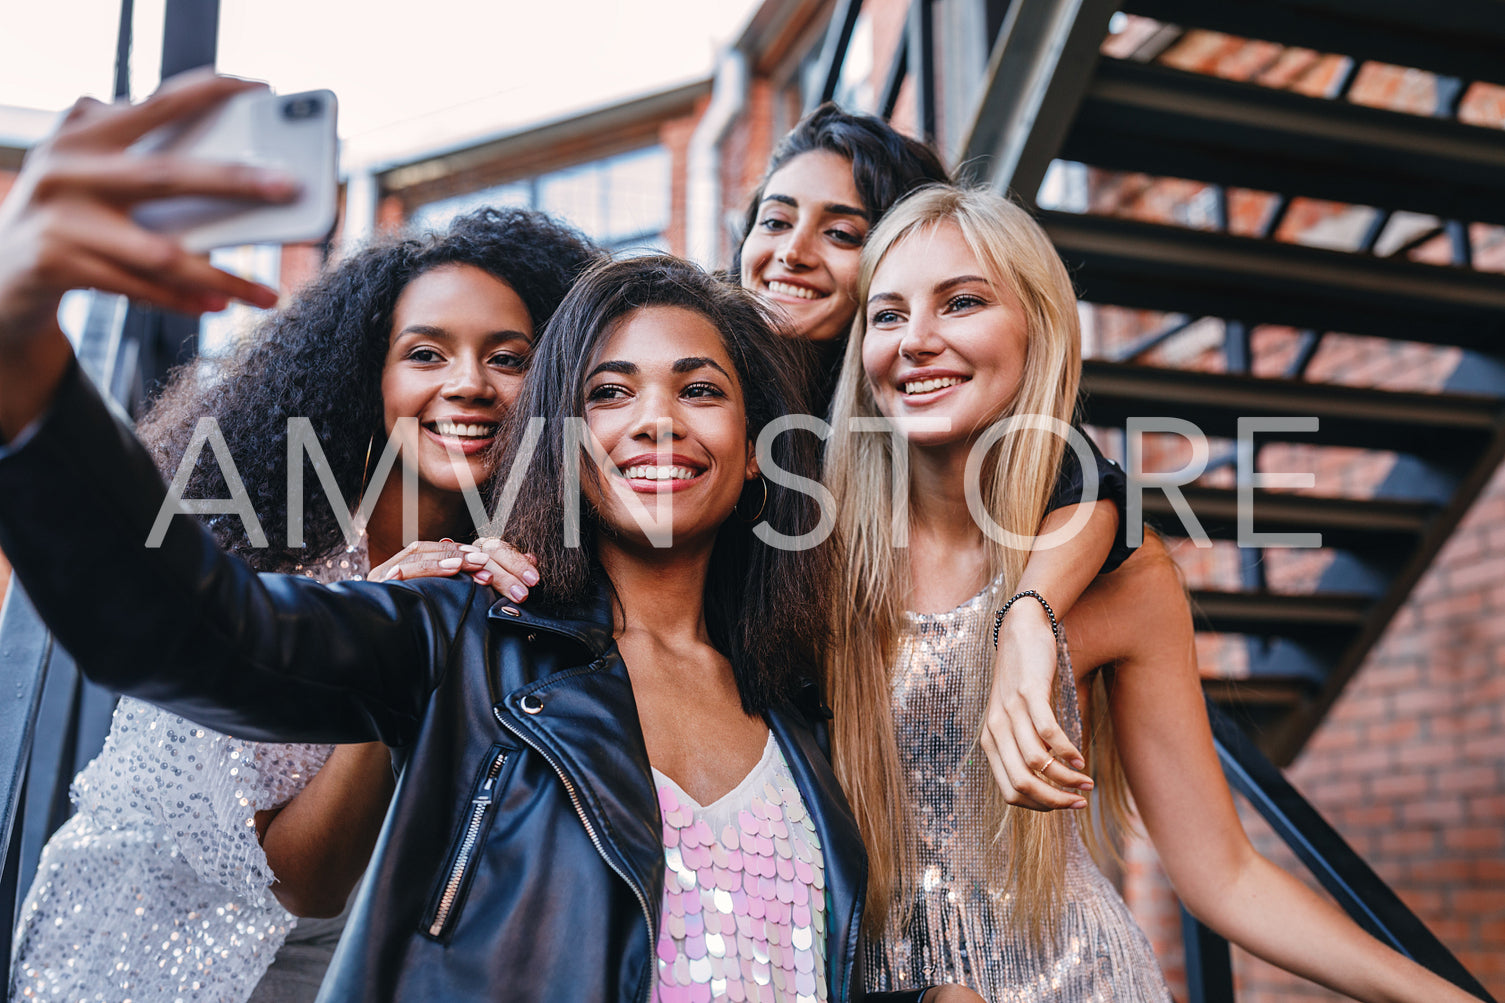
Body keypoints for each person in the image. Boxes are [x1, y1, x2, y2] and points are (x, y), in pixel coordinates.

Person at [0, 73, 984, 1003]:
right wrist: (24, 358)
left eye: (698, 388)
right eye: (609, 391)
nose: (655, 419)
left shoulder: (799, 701)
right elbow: (190, 626)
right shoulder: (465, 628)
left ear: (758, 450)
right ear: (556, 443)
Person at [824, 183, 1477, 1002]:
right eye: (885, 315)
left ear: (1038, 328)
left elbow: (1226, 874)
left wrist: (1435, 995)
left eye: (961, 302)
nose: (915, 340)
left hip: (1084, 982)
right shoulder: (814, 563)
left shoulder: (1124, 581)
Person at [8, 198, 598, 1002]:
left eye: (509, 357)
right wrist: (408, 652)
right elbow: (301, 881)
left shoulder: (523, 572)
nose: (469, 384)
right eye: (426, 354)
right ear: (370, 375)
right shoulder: (267, 550)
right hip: (141, 962)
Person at [734, 103, 1121, 813]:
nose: (790, 250)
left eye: (841, 232)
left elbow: (1081, 474)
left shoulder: (904, 416)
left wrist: (1027, 616)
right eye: (774, 219)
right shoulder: (698, 369)